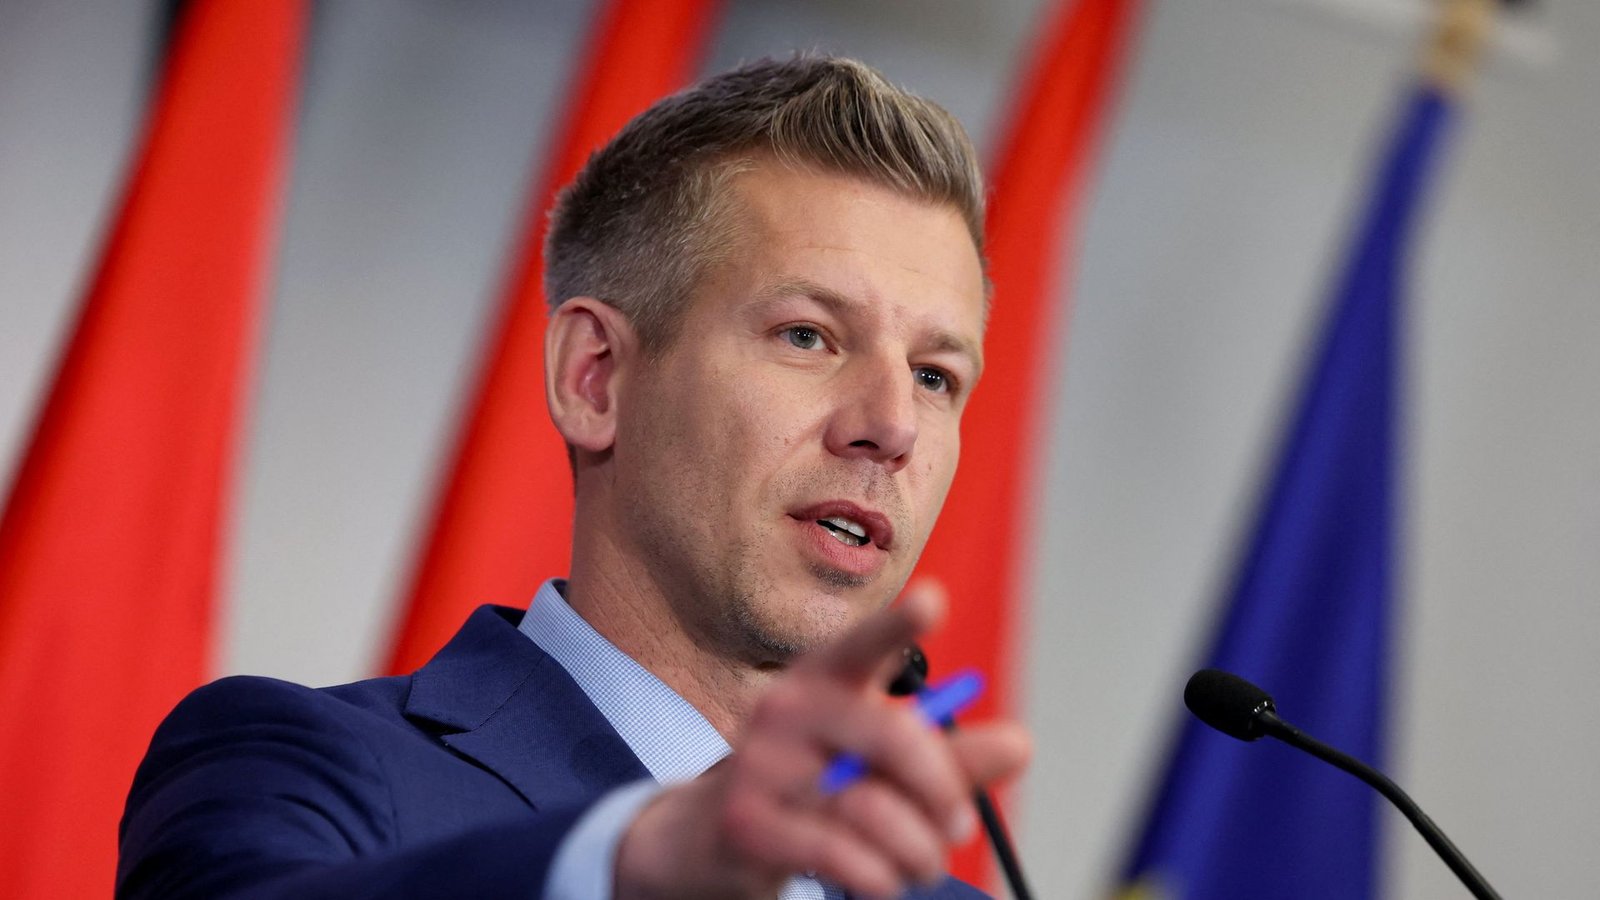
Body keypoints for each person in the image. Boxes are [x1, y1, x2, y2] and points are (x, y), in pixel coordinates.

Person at [117, 55, 1031, 900]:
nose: (892, 426)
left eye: (934, 376)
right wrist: (634, 861)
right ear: (595, 378)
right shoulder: (304, 768)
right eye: (808, 336)